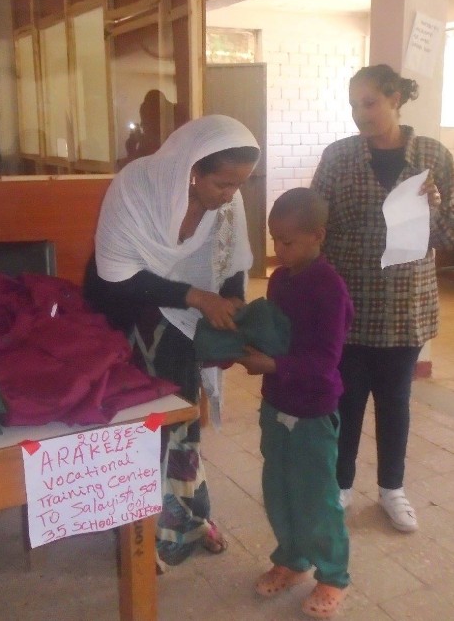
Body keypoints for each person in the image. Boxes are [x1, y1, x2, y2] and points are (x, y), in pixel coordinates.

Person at [84, 114, 260, 572]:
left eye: (240, 184)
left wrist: (233, 302)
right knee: (139, 429)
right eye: (223, 183)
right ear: (193, 170)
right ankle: (136, 535)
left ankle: (186, 518)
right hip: (125, 314)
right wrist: (199, 297)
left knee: (181, 421)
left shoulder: (228, 202)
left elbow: (233, 262)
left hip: (179, 325)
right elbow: (117, 275)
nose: (231, 194)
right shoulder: (135, 187)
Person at [311, 64, 454, 533]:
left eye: (369, 103)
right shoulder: (339, 157)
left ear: (395, 99)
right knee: (346, 400)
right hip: (348, 302)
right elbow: (316, 225)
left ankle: (392, 488)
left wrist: (435, 207)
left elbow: (448, 236)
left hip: (404, 305)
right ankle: (340, 484)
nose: (360, 114)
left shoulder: (433, 155)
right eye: (354, 105)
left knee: (395, 401)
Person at [236, 188, 352, 619]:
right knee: (279, 489)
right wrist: (246, 338)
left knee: (316, 497)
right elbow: (276, 333)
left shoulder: (330, 288)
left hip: (313, 412)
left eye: (287, 241)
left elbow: (325, 361)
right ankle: (292, 559)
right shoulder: (280, 280)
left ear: (317, 236)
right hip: (276, 404)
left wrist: (273, 364)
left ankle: (333, 575)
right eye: (274, 239)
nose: (278, 249)